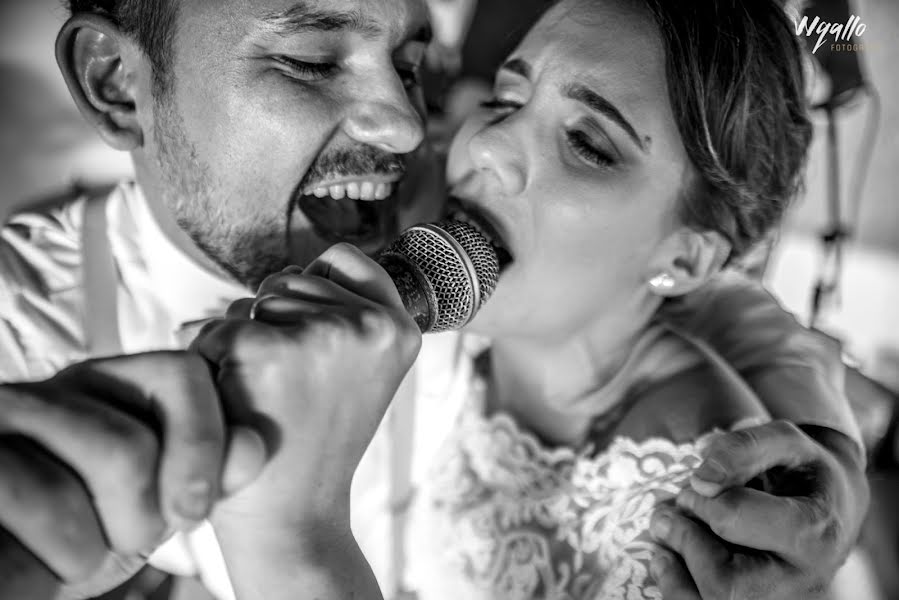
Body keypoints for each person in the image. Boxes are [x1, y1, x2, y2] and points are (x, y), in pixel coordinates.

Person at [0, 0, 867, 598]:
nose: (413, 131)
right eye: (309, 59)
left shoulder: (418, 208)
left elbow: (678, 285)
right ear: (117, 83)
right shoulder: (20, 330)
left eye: (413, 67)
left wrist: (816, 440)